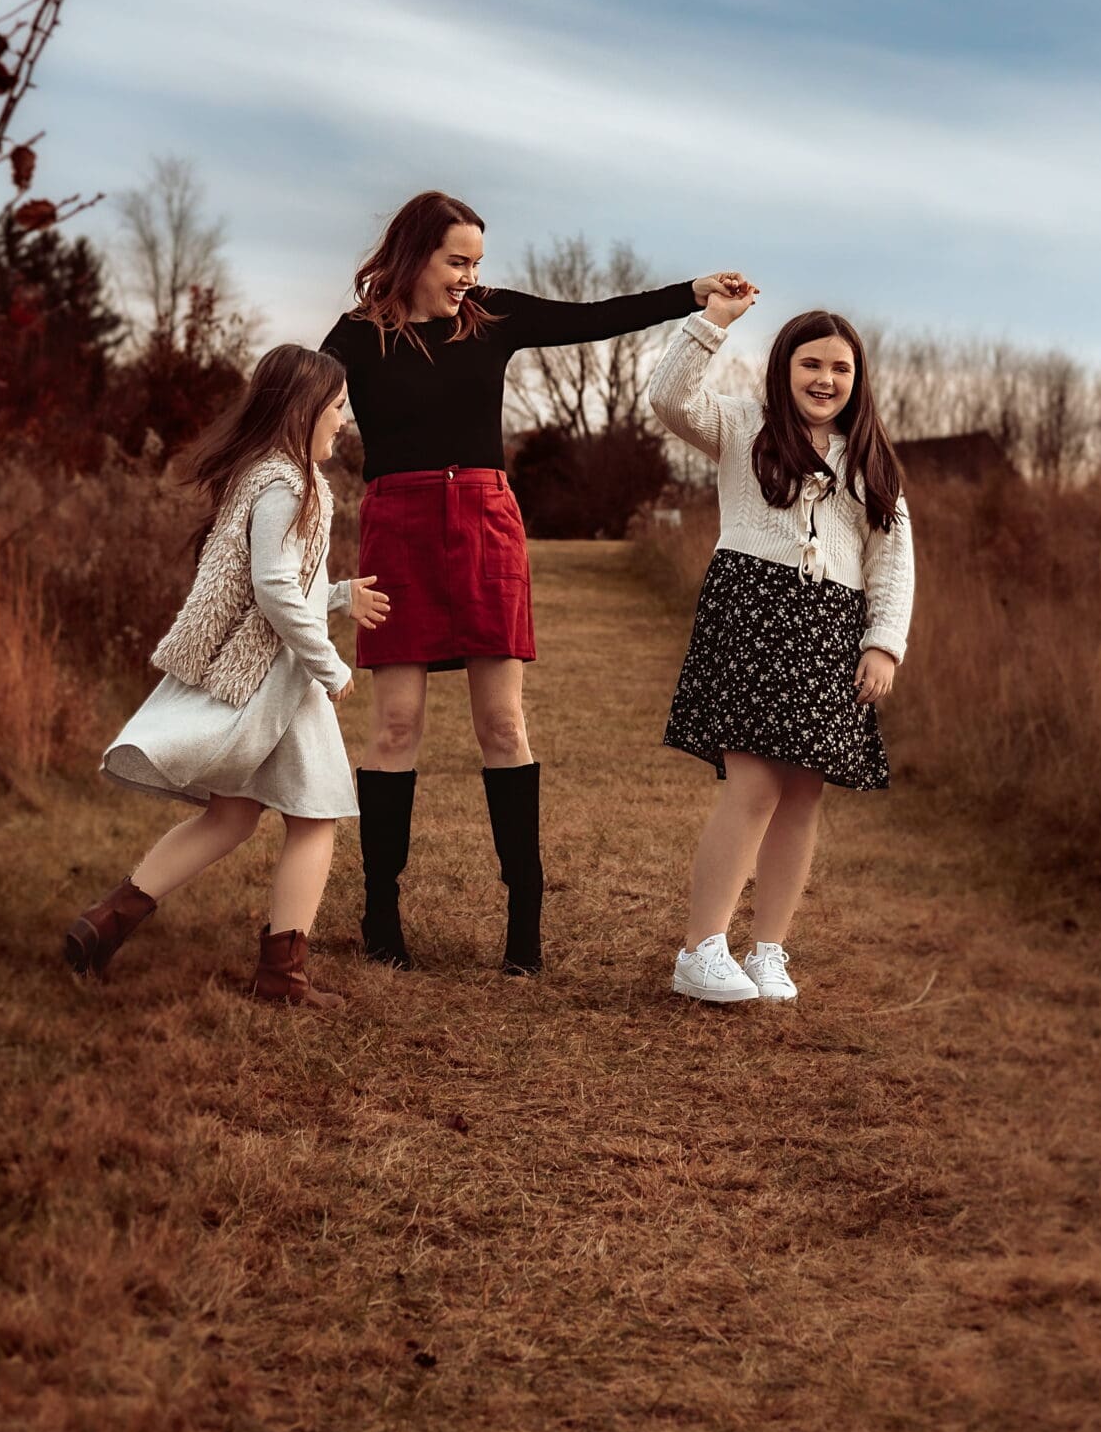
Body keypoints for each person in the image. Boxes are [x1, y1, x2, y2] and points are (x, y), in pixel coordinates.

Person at [321, 188, 742, 977]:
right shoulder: (354, 337)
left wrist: (691, 296)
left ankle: (524, 921)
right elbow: (303, 404)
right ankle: (381, 914)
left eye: (476, 262)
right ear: (414, 255)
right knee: (394, 730)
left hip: (483, 522)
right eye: (456, 261)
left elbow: (593, 317)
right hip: (398, 529)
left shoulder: (492, 317)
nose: (468, 277)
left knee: (503, 728)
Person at [65, 344, 389, 1009]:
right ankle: (281, 979)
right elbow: (270, 586)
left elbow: (273, 581)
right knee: (316, 815)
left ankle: (104, 924)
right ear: (302, 412)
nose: (342, 419)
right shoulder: (285, 483)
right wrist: (329, 666)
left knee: (233, 816)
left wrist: (336, 595)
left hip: (270, 672)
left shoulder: (267, 474)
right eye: (335, 407)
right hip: (276, 676)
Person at [649, 280, 915, 1005]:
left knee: (801, 794)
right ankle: (699, 948)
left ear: (856, 380)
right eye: (809, 365)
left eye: (839, 369)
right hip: (752, 613)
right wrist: (711, 323)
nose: (824, 379)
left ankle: (767, 950)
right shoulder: (741, 425)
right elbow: (667, 398)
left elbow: (891, 562)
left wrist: (882, 643)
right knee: (755, 784)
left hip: (833, 630)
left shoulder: (871, 460)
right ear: (783, 369)